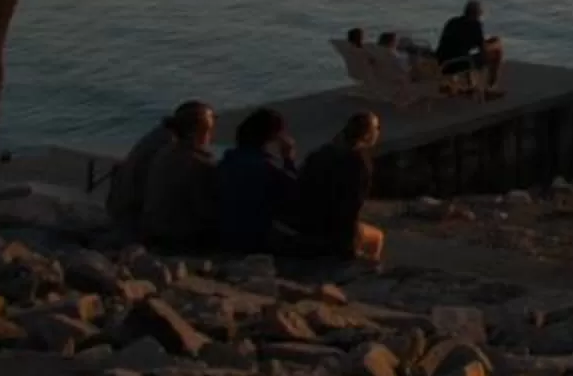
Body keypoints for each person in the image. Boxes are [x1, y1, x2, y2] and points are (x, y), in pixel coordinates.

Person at [217, 106, 327, 256]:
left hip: (225, 235)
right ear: (271, 138)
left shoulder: (227, 161)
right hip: (254, 239)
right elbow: (298, 195)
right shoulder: (266, 167)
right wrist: (288, 159)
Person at [106, 99, 209, 237]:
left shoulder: (159, 137)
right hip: (133, 220)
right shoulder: (173, 149)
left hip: (122, 210)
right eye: (207, 130)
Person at [296, 111, 387, 263]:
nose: (378, 132)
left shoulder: (322, 152)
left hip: (305, 221)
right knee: (377, 237)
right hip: (332, 229)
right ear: (367, 134)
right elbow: (352, 206)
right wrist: (349, 245)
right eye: (376, 128)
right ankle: (371, 269)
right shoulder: (359, 162)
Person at [139, 102, 220, 251]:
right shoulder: (200, 164)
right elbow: (206, 210)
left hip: (152, 231)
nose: (211, 136)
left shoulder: (163, 154)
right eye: (208, 131)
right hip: (179, 239)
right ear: (197, 133)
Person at [435, 0, 506, 95]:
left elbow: (463, 41)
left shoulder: (452, 21)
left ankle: (471, 85)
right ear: (476, 14)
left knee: (465, 52)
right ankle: (491, 86)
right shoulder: (475, 25)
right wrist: (495, 44)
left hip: (443, 63)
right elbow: (483, 50)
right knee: (497, 51)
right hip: (458, 64)